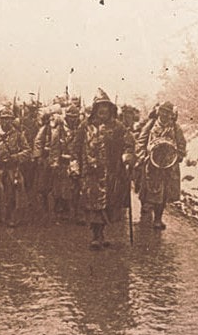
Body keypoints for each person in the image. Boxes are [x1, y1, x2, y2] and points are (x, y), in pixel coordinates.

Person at [77, 89, 128, 249]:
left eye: (106, 107)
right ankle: (96, 235)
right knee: (93, 204)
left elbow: (128, 143)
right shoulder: (85, 126)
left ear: (110, 109)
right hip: (90, 173)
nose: (103, 110)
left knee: (108, 205)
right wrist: (74, 164)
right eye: (100, 107)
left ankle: (101, 233)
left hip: (111, 173)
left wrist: (128, 155)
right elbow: (76, 146)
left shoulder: (118, 126)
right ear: (95, 109)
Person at [135, 101, 186, 230]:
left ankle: (158, 218)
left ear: (171, 114)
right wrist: (141, 154)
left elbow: (181, 143)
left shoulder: (175, 128)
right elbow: (141, 140)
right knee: (148, 188)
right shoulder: (151, 124)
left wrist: (179, 155)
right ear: (158, 112)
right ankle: (145, 205)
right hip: (151, 163)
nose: (165, 114)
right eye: (162, 111)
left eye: (168, 112)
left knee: (163, 193)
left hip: (168, 164)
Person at [0, 107, 29, 227]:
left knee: (13, 192)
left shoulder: (17, 134)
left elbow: (27, 150)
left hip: (12, 168)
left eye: (9, 119)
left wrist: (16, 156)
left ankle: (11, 217)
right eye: (4, 119)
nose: (6, 122)